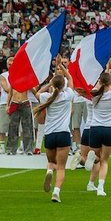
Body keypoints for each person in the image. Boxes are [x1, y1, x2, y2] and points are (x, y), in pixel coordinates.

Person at [33, 62, 74, 203]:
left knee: (51, 162)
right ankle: (56, 192)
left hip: (50, 135)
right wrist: (62, 68)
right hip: (63, 133)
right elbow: (71, 79)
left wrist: (49, 84)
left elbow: (37, 93)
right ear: (64, 85)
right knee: (61, 167)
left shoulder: (46, 97)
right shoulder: (67, 95)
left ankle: (49, 171)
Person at [86, 61, 111, 197]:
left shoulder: (94, 95)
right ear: (110, 83)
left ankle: (90, 183)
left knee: (97, 158)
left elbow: (96, 88)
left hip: (95, 128)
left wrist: (101, 78)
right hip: (109, 129)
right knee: (104, 160)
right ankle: (100, 187)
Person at [0, 65, 12, 153]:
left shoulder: (19, 74)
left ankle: (19, 146)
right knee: (2, 126)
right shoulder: (3, 75)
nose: (11, 65)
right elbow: (6, 89)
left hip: (17, 101)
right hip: (4, 102)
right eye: (9, 64)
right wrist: (17, 89)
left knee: (19, 127)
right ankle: (2, 146)